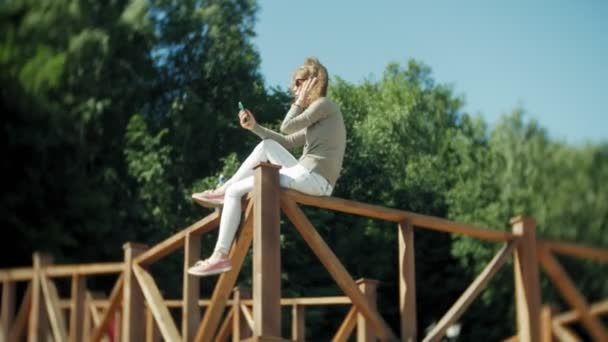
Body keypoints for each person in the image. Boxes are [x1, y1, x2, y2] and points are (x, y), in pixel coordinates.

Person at [187, 57, 346, 277]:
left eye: (298, 83)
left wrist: (298, 102)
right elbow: (287, 141)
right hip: (306, 175)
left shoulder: (324, 105)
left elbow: (287, 126)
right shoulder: (319, 117)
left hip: (313, 179)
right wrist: (254, 127)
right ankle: (222, 194)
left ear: (313, 83)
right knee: (266, 146)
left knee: (234, 190)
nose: (293, 88)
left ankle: (220, 255)